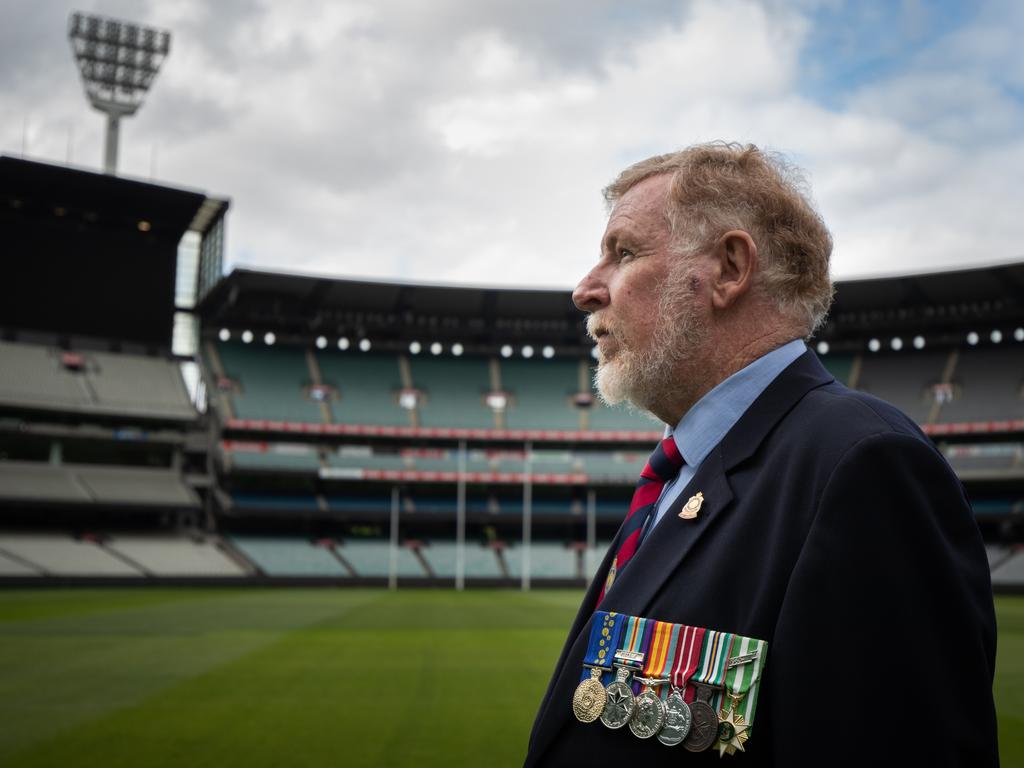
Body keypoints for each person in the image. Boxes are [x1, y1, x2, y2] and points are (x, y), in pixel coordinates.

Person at [524, 142, 997, 766]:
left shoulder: (863, 465)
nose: (586, 289)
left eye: (624, 253)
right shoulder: (680, 471)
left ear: (728, 268)